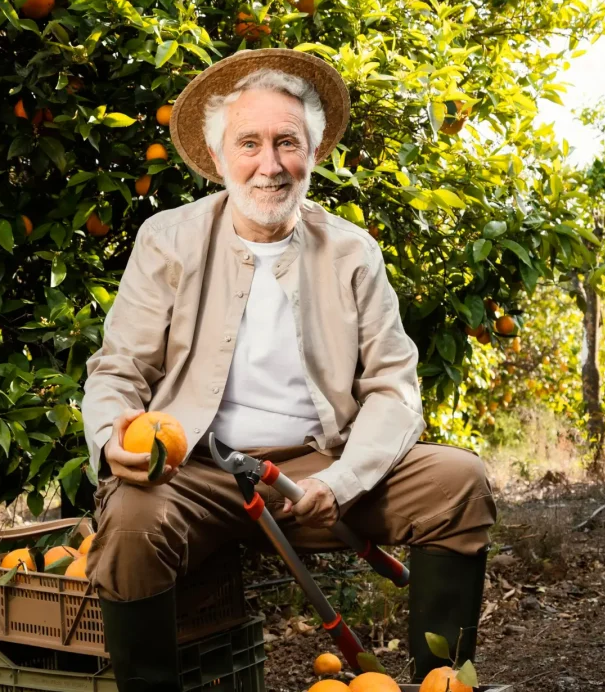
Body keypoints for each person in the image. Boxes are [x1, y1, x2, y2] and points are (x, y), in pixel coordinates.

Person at [82, 48, 496, 691]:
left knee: (458, 483)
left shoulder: (353, 252)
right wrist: (112, 439)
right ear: (218, 157)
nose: (269, 165)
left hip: (318, 463)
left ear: (314, 153)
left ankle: (444, 681)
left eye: (287, 143)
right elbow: (118, 370)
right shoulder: (168, 239)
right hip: (196, 468)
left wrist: (345, 476)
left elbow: (393, 385)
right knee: (132, 524)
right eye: (248, 143)